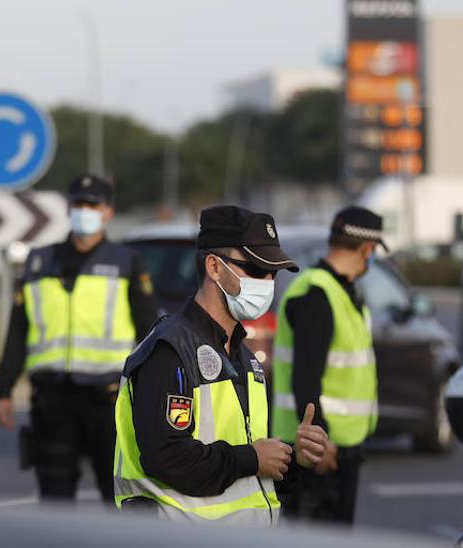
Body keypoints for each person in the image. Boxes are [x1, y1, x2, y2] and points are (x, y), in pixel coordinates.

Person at [112, 206, 329, 525]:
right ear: (214, 266)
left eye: (274, 273)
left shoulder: (247, 360)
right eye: (256, 269)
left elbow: (250, 471)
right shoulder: (169, 351)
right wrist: (252, 458)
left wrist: (294, 457)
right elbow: (168, 459)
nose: (268, 282)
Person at [0, 173, 159, 503]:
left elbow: (147, 333)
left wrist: (150, 392)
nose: (84, 210)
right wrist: (4, 388)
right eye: (78, 204)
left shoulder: (126, 263)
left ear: (107, 212)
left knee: (117, 497)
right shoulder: (40, 261)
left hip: (107, 398)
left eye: (92, 205)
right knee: (54, 499)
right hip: (53, 399)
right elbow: (18, 329)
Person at [269, 207, 384, 525]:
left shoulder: (340, 292)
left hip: (336, 448)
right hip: (316, 454)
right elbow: (305, 377)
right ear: (367, 248)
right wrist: (320, 443)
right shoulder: (317, 295)